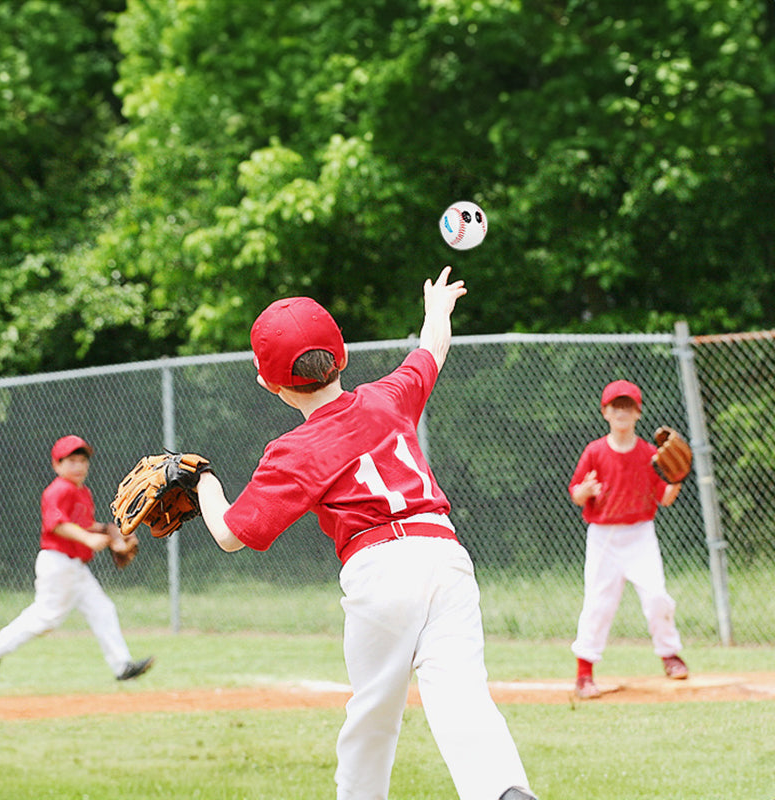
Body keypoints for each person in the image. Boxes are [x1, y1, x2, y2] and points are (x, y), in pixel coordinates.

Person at [194, 267, 538, 800]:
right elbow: (431, 350)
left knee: (374, 711)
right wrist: (437, 310)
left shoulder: (292, 451)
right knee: (461, 694)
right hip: (445, 553)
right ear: (342, 357)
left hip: (380, 568)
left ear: (271, 383)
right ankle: (502, 790)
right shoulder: (388, 397)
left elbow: (230, 533)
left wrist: (203, 480)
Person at [0, 435, 154, 687]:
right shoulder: (59, 489)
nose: (79, 466)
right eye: (71, 461)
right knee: (46, 618)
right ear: (56, 465)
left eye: (82, 460)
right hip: (58, 563)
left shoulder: (82, 492)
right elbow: (57, 524)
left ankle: (122, 666)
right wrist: (88, 539)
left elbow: (84, 524)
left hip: (75, 567)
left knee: (103, 610)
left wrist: (106, 531)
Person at [568, 380, 689, 700]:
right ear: (605, 412)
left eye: (628, 406)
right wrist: (586, 491)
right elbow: (576, 494)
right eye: (615, 406)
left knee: (657, 597)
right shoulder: (594, 452)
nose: (621, 412)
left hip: (640, 535)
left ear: (638, 412)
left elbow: (665, 498)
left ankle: (670, 655)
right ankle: (584, 674)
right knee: (598, 604)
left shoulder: (650, 454)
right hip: (604, 537)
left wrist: (676, 480)